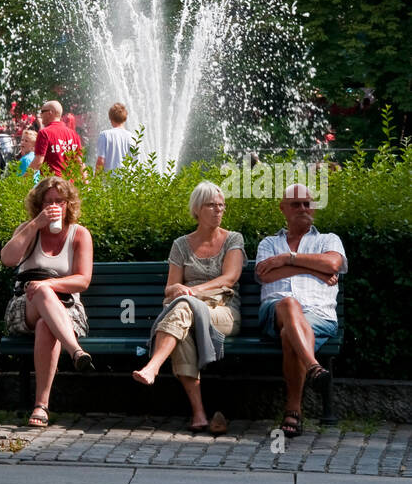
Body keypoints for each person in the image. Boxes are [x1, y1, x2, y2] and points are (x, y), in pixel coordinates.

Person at [132, 182, 245, 433]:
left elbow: (230, 278)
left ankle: (153, 367)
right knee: (182, 327)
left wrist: (191, 292)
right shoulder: (181, 245)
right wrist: (180, 292)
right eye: (212, 205)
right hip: (187, 315)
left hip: (223, 311)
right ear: (197, 209)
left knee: (183, 307)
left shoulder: (233, 239)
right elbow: (170, 288)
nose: (219, 210)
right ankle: (200, 414)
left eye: (221, 205)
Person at [1, 177, 94, 428]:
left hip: (67, 308)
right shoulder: (28, 229)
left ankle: (41, 406)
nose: (54, 206)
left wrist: (49, 285)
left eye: (59, 201)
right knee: (41, 297)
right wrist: (35, 225)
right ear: (39, 205)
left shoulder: (79, 234)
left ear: (68, 204)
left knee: (46, 324)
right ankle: (76, 351)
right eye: (48, 202)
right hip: (24, 305)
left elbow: (83, 281)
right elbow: (8, 259)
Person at [256, 183, 347, 438]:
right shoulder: (269, 243)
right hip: (274, 313)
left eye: (307, 203)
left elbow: (332, 263)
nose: (303, 209)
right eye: (295, 204)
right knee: (289, 303)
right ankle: (313, 366)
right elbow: (266, 274)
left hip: (319, 315)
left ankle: (293, 410)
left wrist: (288, 259)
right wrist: (314, 268)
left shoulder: (329, 240)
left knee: (290, 335)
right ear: (282, 208)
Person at [32, 100, 83, 178]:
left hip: (52, 184)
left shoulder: (44, 133)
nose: (40, 115)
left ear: (50, 113)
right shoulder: (73, 134)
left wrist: (22, 182)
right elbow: (80, 162)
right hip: (69, 185)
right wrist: (87, 184)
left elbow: (38, 162)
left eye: (42, 112)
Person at [94, 103, 135, 173]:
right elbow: (135, 163)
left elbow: (101, 160)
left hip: (110, 181)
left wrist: (96, 180)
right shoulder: (133, 137)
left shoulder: (104, 135)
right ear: (125, 118)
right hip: (127, 181)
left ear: (110, 118)